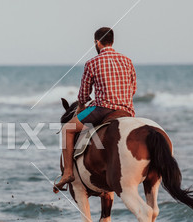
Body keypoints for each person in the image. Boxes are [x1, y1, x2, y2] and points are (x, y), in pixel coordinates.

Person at [54, 27, 137, 192]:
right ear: (112, 41)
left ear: (97, 42)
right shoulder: (127, 61)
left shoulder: (92, 62)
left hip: (102, 109)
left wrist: (82, 106)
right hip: (127, 111)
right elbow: (133, 88)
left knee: (68, 129)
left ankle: (68, 173)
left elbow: (84, 94)